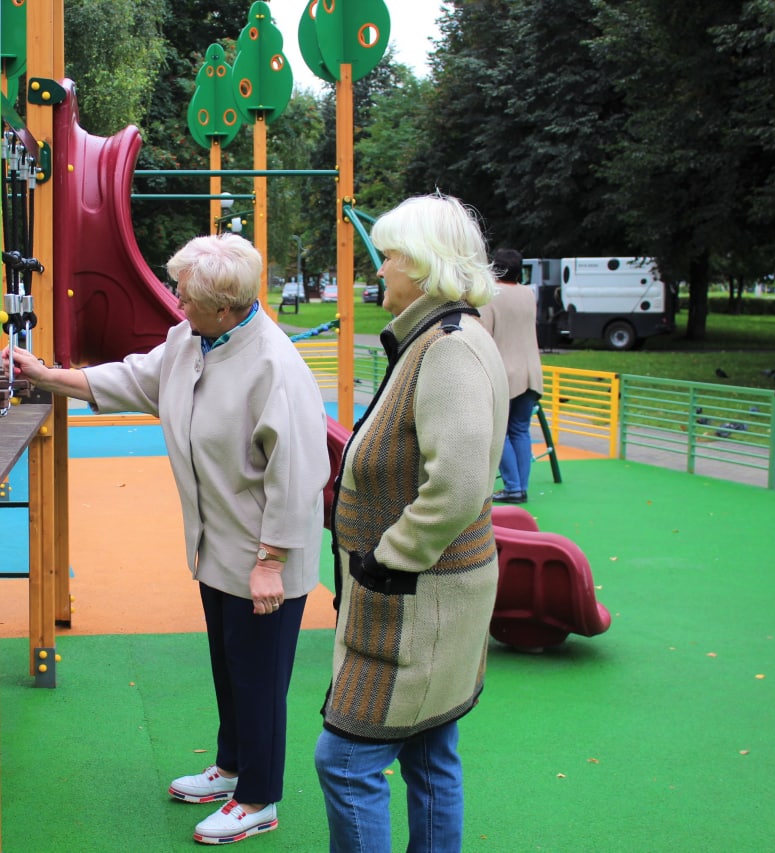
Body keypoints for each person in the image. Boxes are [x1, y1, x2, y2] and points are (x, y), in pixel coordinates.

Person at [3, 233, 329, 846]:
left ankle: (259, 798)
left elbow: (301, 475)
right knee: (229, 669)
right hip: (218, 547)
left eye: (186, 295)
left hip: (264, 555)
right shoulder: (192, 340)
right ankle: (232, 768)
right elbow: (134, 379)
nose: (175, 301)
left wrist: (271, 563)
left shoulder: (274, 368)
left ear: (227, 307)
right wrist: (47, 376)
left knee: (259, 680)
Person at [315, 194, 509, 853]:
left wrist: (389, 557)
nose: (383, 266)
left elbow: (455, 482)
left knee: (345, 759)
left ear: (425, 267)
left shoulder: (447, 349)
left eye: (393, 254)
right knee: (429, 749)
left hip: (416, 600)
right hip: (440, 594)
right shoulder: (445, 335)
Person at [479, 248, 544, 504]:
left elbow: (484, 334)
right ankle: (521, 486)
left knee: (499, 432)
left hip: (504, 372)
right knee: (520, 429)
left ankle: (512, 486)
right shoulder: (528, 294)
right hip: (531, 371)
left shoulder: (490, 296)